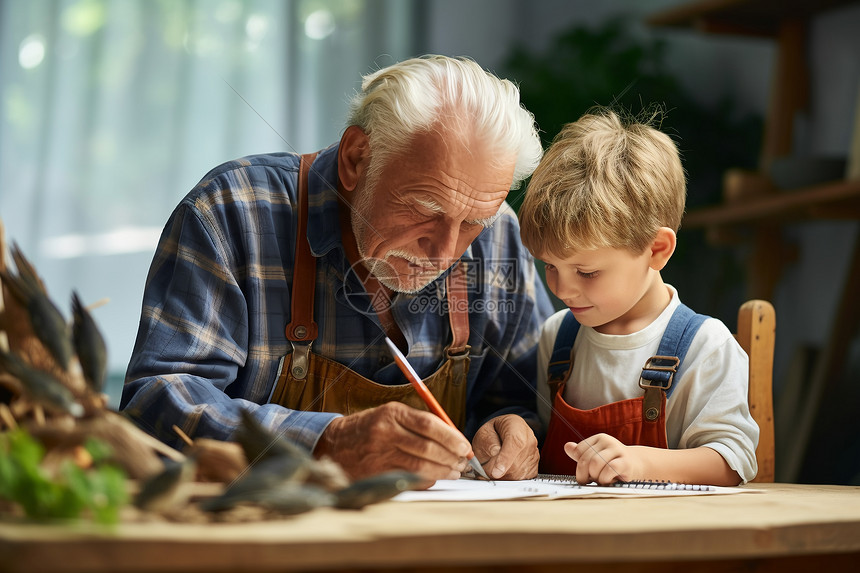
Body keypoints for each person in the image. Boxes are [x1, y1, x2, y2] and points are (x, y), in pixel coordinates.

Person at [121, 55, 554, 482]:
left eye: (472, 224)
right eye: (426, 209)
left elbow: (521, 399)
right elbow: (156, 401)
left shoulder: (498, 237)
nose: (444, 253)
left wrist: (514, 430)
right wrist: (324, 442)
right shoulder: (234, 211)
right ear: (356, 157)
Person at [518, 107, 759, 486]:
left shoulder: (706, 346)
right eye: (549, 266)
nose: (562, 289)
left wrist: (640, 463)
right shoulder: (557, 338)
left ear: (657, 250)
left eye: (587, 272)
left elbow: (733, 462)